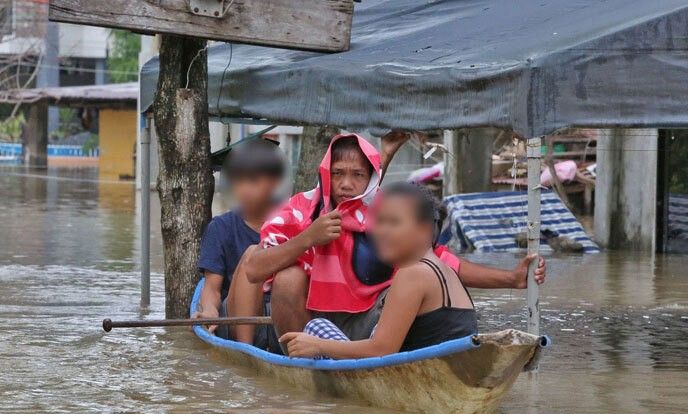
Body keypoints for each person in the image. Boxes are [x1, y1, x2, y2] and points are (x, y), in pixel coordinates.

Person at [226, 132, 545, 350]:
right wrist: (309, 238)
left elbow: (443, 261)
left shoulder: (384, 210)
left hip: (374, 320)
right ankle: (304, 365)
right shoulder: (301, 210)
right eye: (338, 174)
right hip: (312, 320)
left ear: (372, 179)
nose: (347, 184)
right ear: (326, 174)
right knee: (288, 277)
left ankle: (367, 360)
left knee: (417, 273)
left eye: (357, 175)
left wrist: (512, 279)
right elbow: (254, 270)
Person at [280, 182, 475, 358]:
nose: (381, 231)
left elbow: (381, 350)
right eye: (379, 222)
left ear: (424, 230)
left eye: (393, 222)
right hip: (446, 367)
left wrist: (319, 346)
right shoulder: (445, 270)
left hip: (423, 378)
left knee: (316, 327)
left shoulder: (413, 273)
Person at [193, 136, 287, 349]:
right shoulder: (220, 228)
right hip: (236, 318)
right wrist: (209, 309)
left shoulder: (295, 220)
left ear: (273, 183)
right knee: (254, 255)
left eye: (253, 181)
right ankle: (246, 353)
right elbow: (212, 288)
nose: (244, 189)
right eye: (239, 181)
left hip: (280, 316)